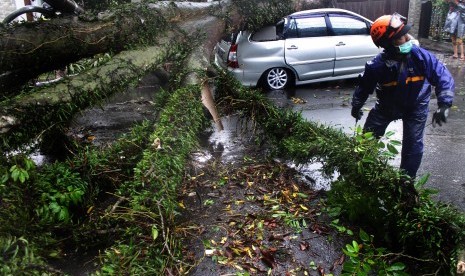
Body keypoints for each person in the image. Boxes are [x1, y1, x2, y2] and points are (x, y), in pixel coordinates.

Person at [351, 13, 455, 178]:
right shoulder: (377, 66)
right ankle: (357, 173)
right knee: (366, 140)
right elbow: (364, 87)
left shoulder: (420, 56)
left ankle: (406, 183)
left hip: (416, 106)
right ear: (388, 44)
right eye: (400, 37)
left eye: (405, 34)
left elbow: (443, 76)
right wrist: (356, 105)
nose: (407, 38)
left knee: (413, 147)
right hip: (387, 107)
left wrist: (444, 104)